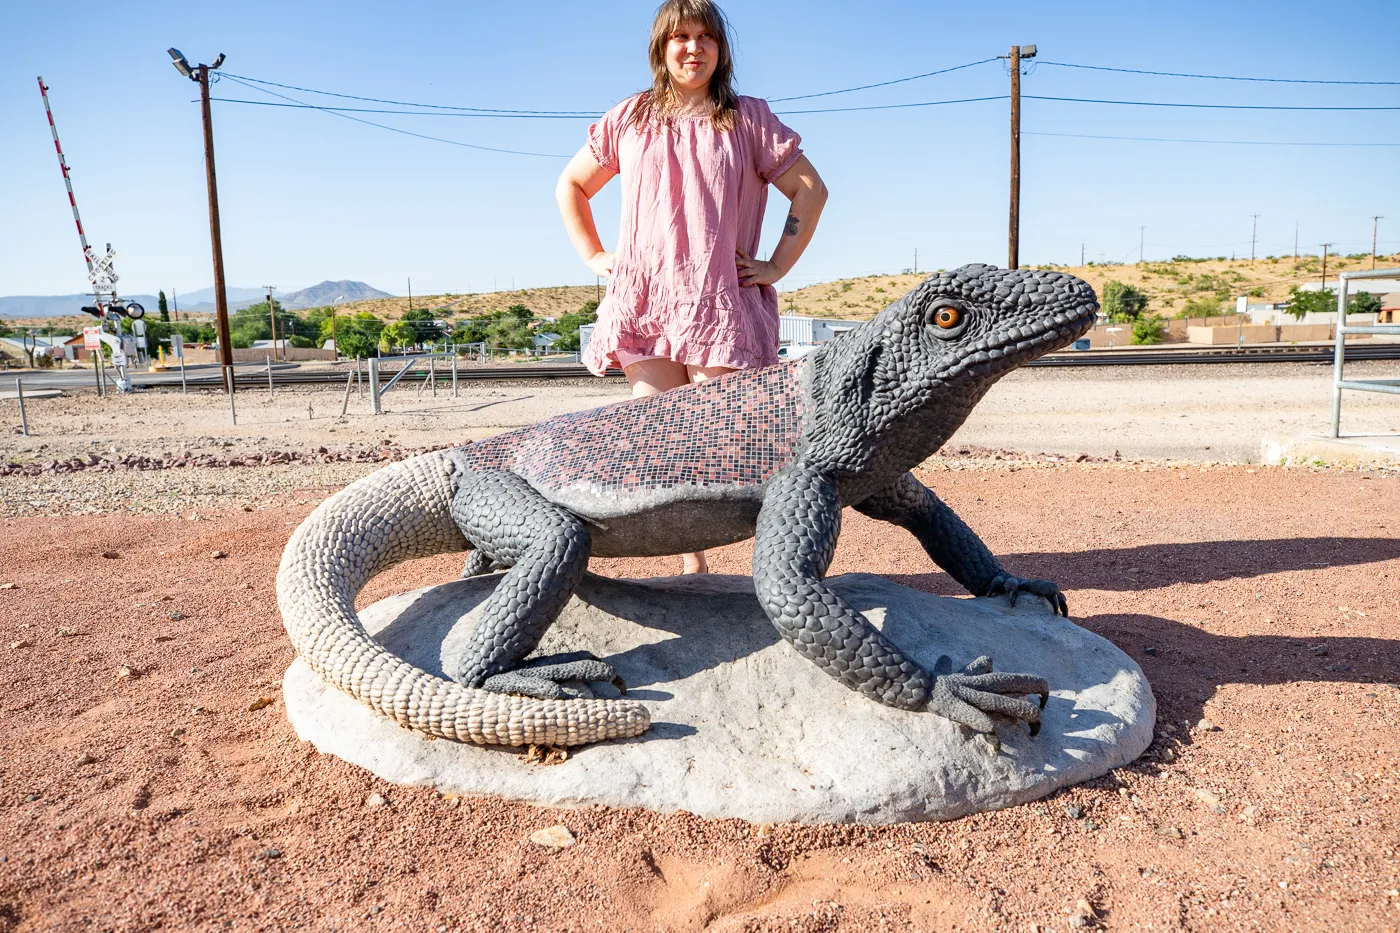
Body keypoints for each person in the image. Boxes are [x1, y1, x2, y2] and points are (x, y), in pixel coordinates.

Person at [556, 0, 827, 574]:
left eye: (706, 36)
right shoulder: (630, 118)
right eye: (680, 36)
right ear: (661, 47)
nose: (693, 47)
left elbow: (811, 191)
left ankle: (776, 566)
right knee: (656, 435)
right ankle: (691, 562)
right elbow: (572, 186)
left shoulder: (747, 119)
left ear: (721, 50)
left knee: (725, 439)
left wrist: (776, 265)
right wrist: (595, 255)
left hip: (717, 299)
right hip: (647, 298)